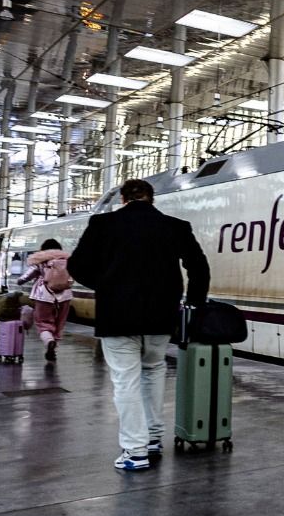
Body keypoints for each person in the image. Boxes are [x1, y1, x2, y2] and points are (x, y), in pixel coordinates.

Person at [68, 179, 210, 471]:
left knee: (126, 381)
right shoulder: (176, 226)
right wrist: (194, 302)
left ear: (123, 198)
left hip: (117, 315)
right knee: (154, 371)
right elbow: (199, 267)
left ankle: (135, 451)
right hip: (161, 315)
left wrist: (105, 286)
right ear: (152, 199)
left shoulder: (102, 224)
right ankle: (154, 438)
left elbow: (76, 266)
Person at [17, 239, 73, 361]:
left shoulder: (40, 261)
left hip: (44, 296)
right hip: (65, 296)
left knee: (43, 324)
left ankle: (49, 342)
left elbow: (26, 276)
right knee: (59, 324)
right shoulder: (67, 260)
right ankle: (54, 348)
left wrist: (20, 281)